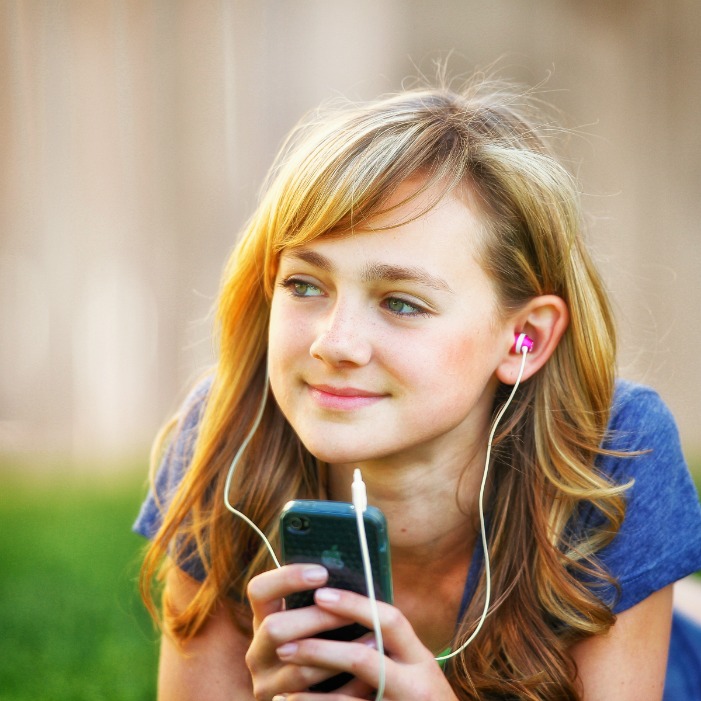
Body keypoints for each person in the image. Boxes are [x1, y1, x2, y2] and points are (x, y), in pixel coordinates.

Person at [134, 76, 701, 701]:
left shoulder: (615, 450)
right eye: (303, 284)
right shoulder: (226, 432)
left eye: (401, 302)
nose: (334, 343)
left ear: (525, 339)